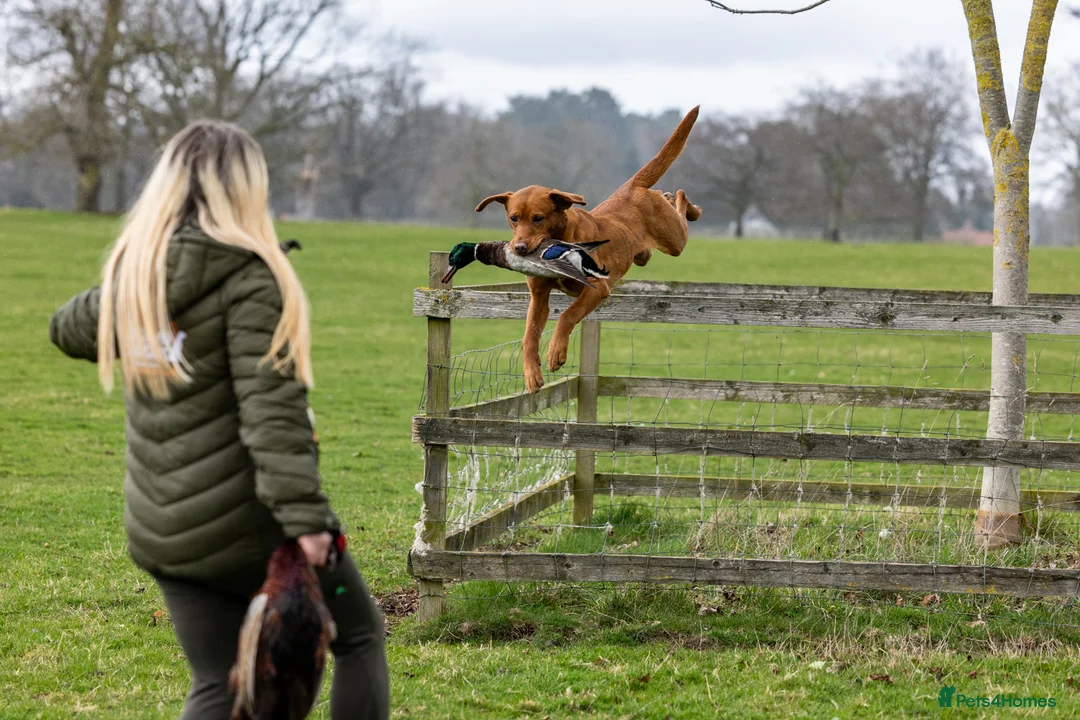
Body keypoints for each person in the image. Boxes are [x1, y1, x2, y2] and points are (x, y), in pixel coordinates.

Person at [49, 120, 389, 720]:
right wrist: (308, 523)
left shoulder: (140, 277)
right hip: (246, 529)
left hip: (166, 530)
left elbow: (66, 327)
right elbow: (272, 415)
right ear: (245, 189)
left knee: (216, 682)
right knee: (359, 638)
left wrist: (132, 279)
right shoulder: (251, 280)